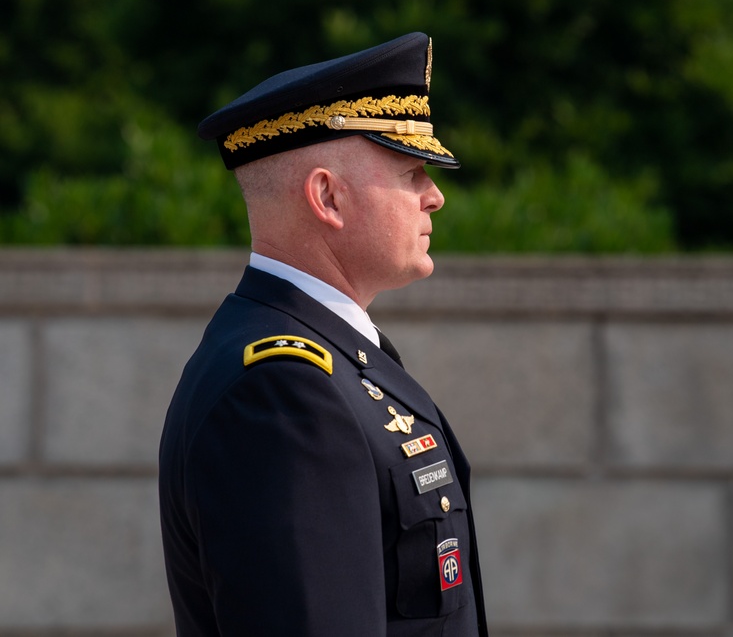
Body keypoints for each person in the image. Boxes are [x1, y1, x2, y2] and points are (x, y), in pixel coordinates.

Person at [158, 32, 488, 636]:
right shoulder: (283, 391)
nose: (434, 197)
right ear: (328, 196)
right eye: (412, 172)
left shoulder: (326, 359)